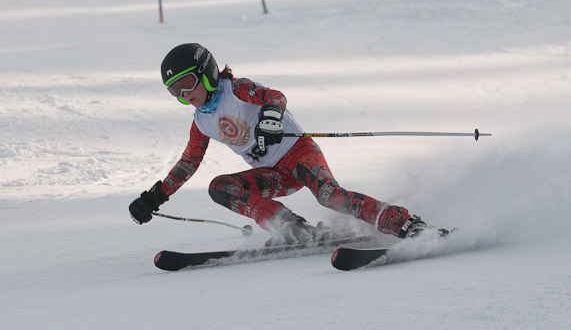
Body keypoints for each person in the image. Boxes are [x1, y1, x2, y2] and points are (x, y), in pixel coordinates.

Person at [129, 43, 427, 244]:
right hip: (273, 174)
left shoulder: (236, 89)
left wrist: (270, 119)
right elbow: (188, 164)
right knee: (220, 187)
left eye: (188, 84)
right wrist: (154, 198)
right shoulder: (201, 122)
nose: (184, 94)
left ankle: (405, 224)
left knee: (329, 196)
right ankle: (292, 227)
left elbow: (275, 97)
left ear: (206, 74)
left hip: (299, 155)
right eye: (174, 91)